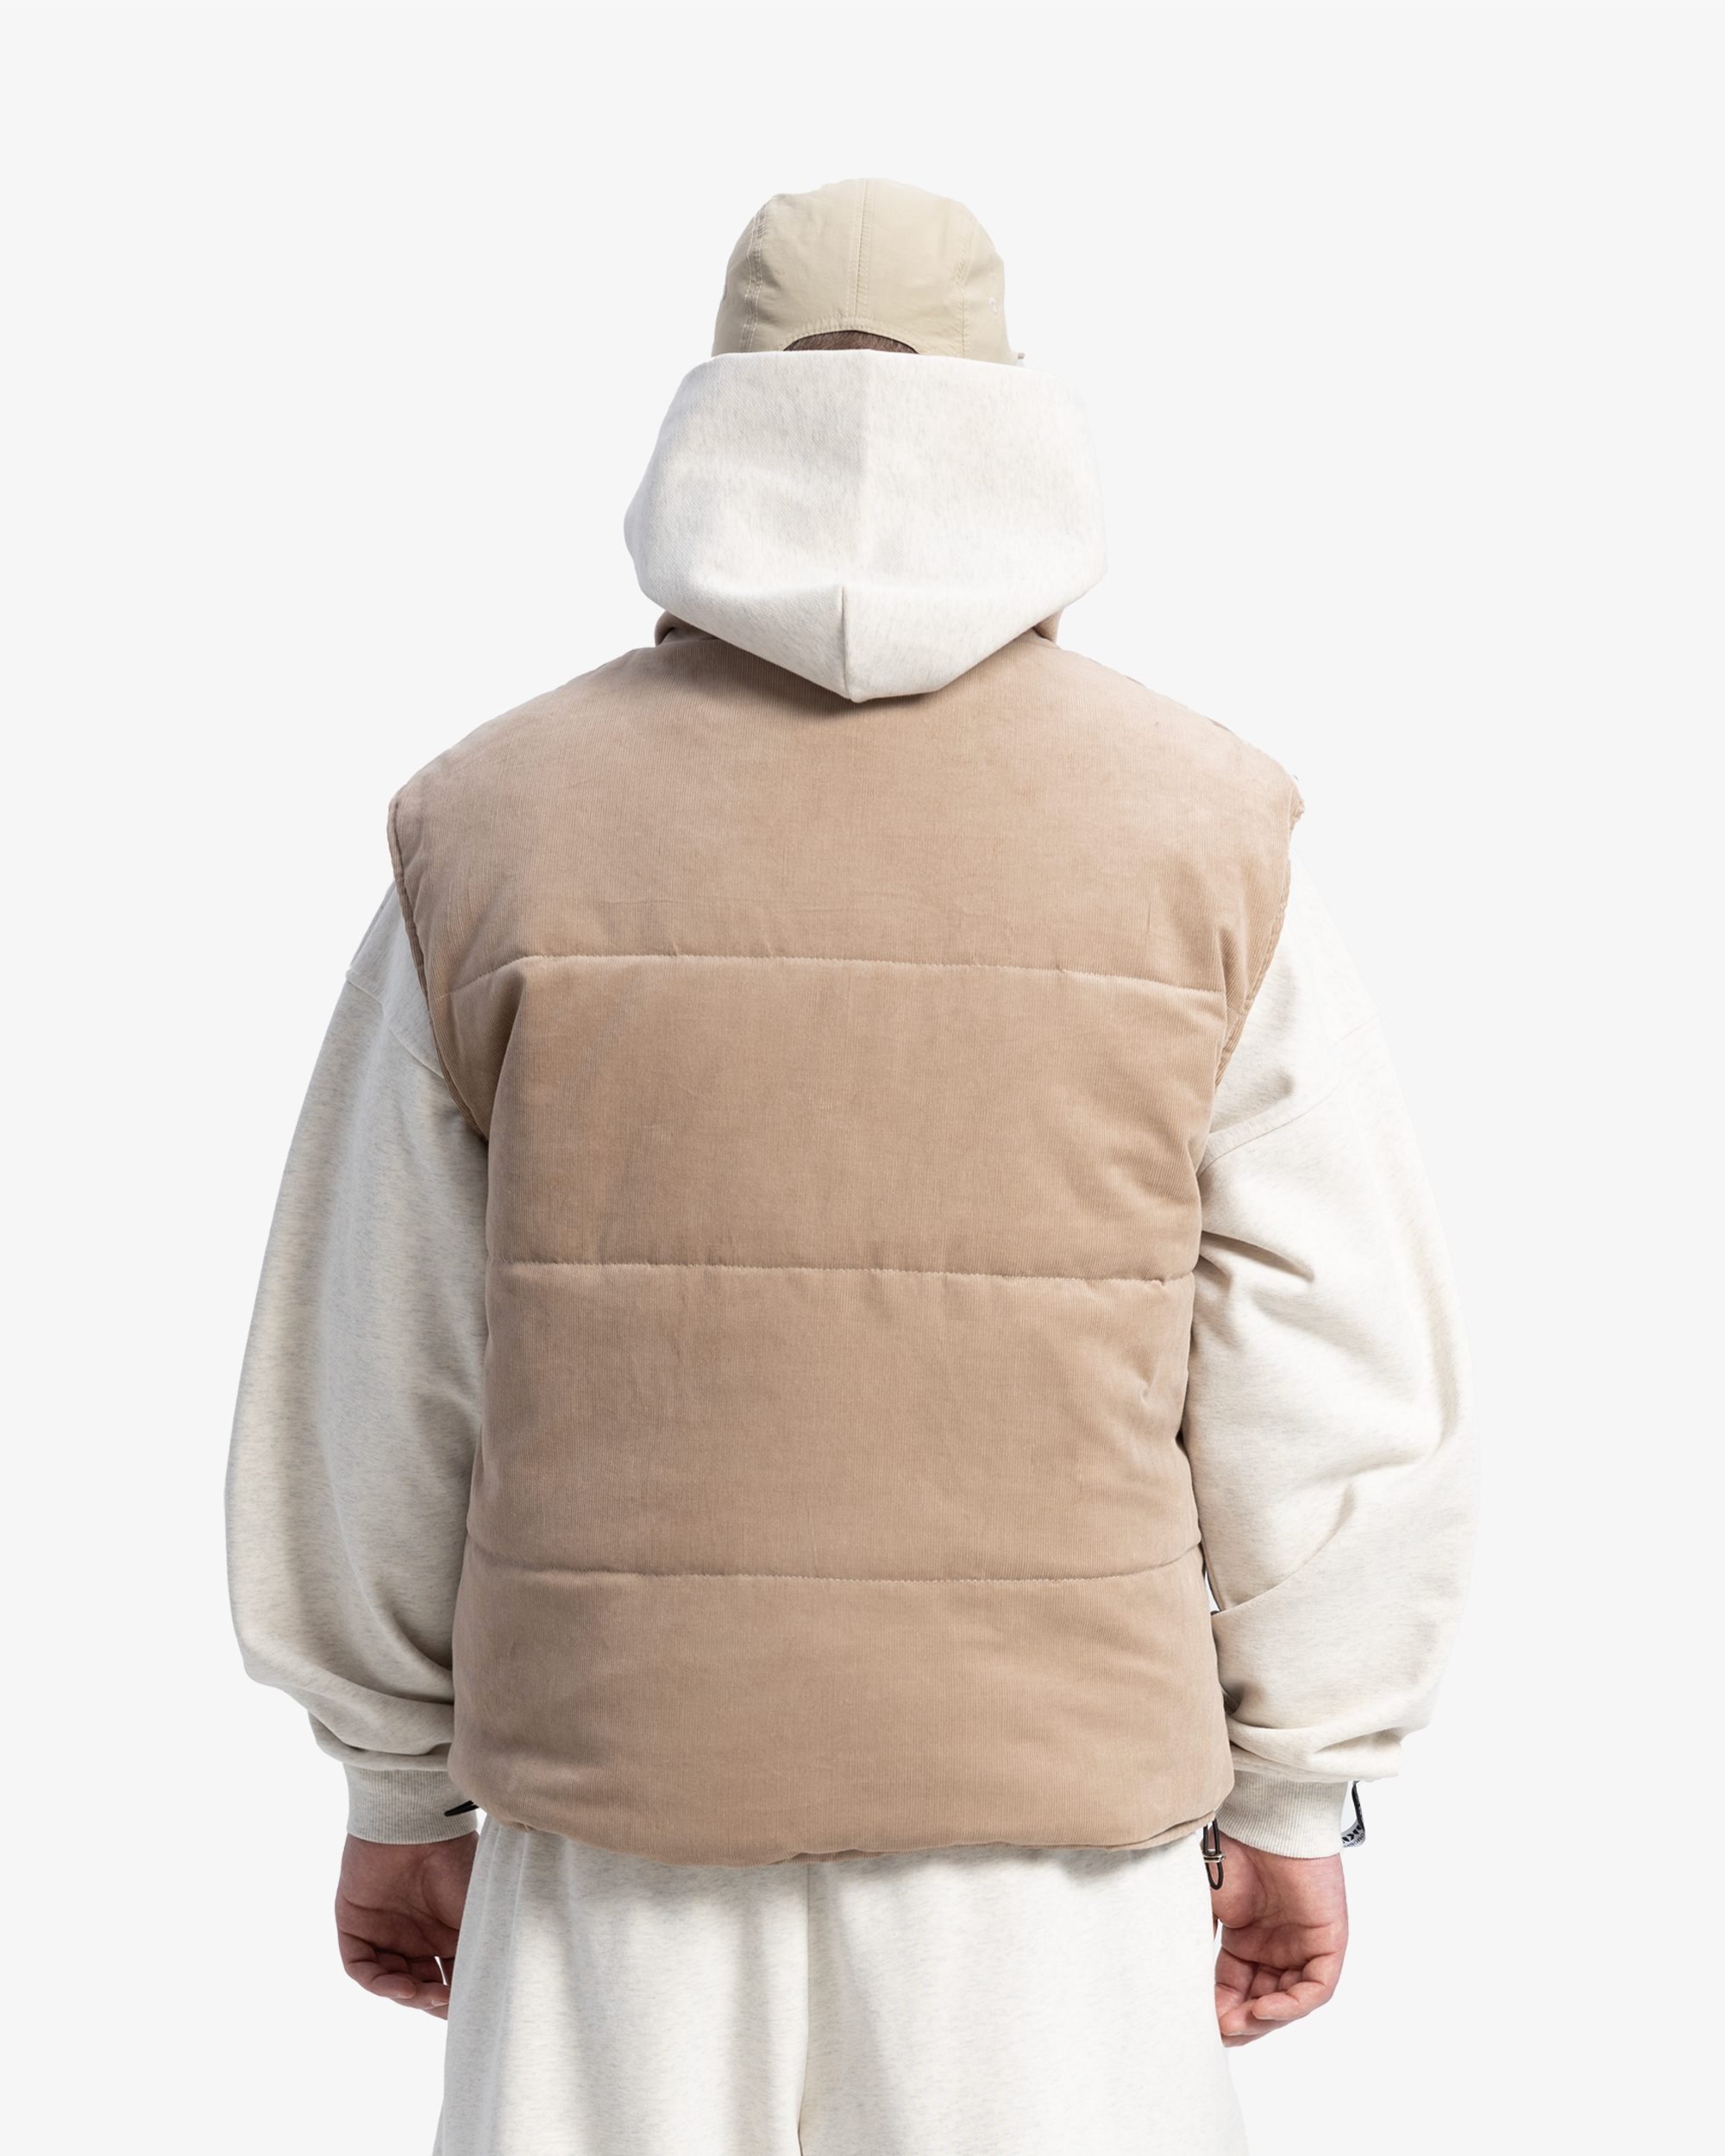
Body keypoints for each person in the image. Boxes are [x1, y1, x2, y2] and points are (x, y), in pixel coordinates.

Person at [227, 178, 1475, 2155]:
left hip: (618, 1812)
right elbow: (1329, 1357)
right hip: (1052, 1845)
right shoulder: (1201, 827)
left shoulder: (498, 820)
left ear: (716, 410)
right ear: (1016, 413)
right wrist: (1296, 1783)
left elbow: (378, 1347)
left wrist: (393, 1775)